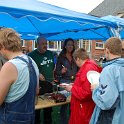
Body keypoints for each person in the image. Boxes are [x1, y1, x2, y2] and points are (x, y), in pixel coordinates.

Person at [0, 28, 39, 124]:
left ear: (2, 46)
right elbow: (37, 91)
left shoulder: (9, 66)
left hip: (11, 119)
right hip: (29, 117)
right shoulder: (32, 61)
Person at [90, 37, 124, 124]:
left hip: (111, 118)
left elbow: (106, 102)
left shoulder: (109, 70)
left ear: (107, 50)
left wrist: (96, 89)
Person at [63, 48, 102, 124]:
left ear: (77, 59)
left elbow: (86, 93)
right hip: (84, 108)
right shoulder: (89, 66)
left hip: (83, 110)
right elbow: (84, 85)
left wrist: (72, 89)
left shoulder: (87, 68)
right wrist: (74, 85)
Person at [28, 36, 55, 124]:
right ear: (37, 44)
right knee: (37, 109)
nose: (45, 46)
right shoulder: (31, 55)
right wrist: (37, 74)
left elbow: (52, 66)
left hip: (49, 85)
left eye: (46, 44)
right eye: (43, 44)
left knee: (48, 109)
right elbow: (27, 70)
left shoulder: (50, 53)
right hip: (37, 86)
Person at [55, 38, 78, 124]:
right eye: (68, 44)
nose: (70, 46)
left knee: (73, 105)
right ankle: (63, 122)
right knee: (64, 104)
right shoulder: (61, 57)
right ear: (65, 46)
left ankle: (72, 121)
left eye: (72, 45)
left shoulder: (75, 56)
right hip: (64, 82)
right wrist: (61, 71)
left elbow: (79, 69)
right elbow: (57, 71)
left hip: (74, 82)